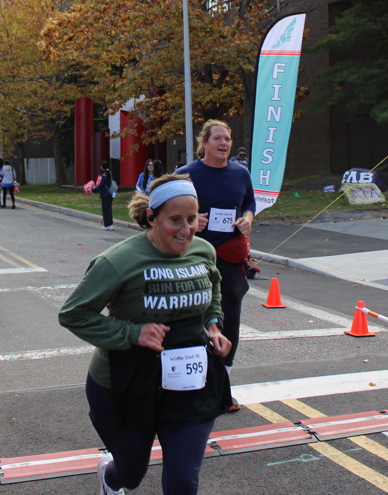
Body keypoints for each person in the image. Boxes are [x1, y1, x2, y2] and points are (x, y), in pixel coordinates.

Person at [59, 175, 232, 495]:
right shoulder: (117, 261)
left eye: (192, 219)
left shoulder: (204, 251)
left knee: (184, 479)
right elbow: (73, 314)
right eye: (175, 220)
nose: (186, 230)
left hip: (188, 383)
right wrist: (132, 332)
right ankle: (111, 477)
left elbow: (214, 287)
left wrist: (213, 325)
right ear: (152, 217)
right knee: (131, 473)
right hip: (125, 383)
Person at [177, 120, 255, 412]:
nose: (224, 143)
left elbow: (249, 203)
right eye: (218, 139)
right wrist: (191, 221)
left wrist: (247, 219)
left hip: (230, 257)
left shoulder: (240, 173)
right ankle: (190, 383)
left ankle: (222, 384)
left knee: (230, 315)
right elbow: (164, 210)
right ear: (205, 143)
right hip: (194, 255)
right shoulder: (186, 175)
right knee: (195, 316)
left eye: (228, 139)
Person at [92, 160, 115, 230]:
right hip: (110, 194)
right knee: (109, 209)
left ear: (103, 167)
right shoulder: (109, 173)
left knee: (105, 210)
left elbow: (101, 185)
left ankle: (107, 225)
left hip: (105, 194)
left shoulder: (105, 175)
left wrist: (93, 190)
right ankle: (110, 224)